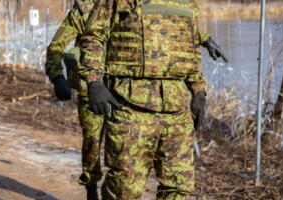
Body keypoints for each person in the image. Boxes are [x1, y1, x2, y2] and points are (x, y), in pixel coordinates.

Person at [80, 0, 227, 199]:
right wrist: (94, 81)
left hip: (177, 107)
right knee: (125, 188)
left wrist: (198, 89)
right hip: (131, 105)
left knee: (179, 187)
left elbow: (190, 48)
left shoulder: (187, 4)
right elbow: (93, 36)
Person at [44, 1, 106, 199]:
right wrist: (56, 76)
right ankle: (91, 188)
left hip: (129, 91)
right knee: (93, 141)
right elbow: (57, 45)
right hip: (92, 88)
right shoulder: (86, 9)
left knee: (125, 147)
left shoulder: (135, 7)